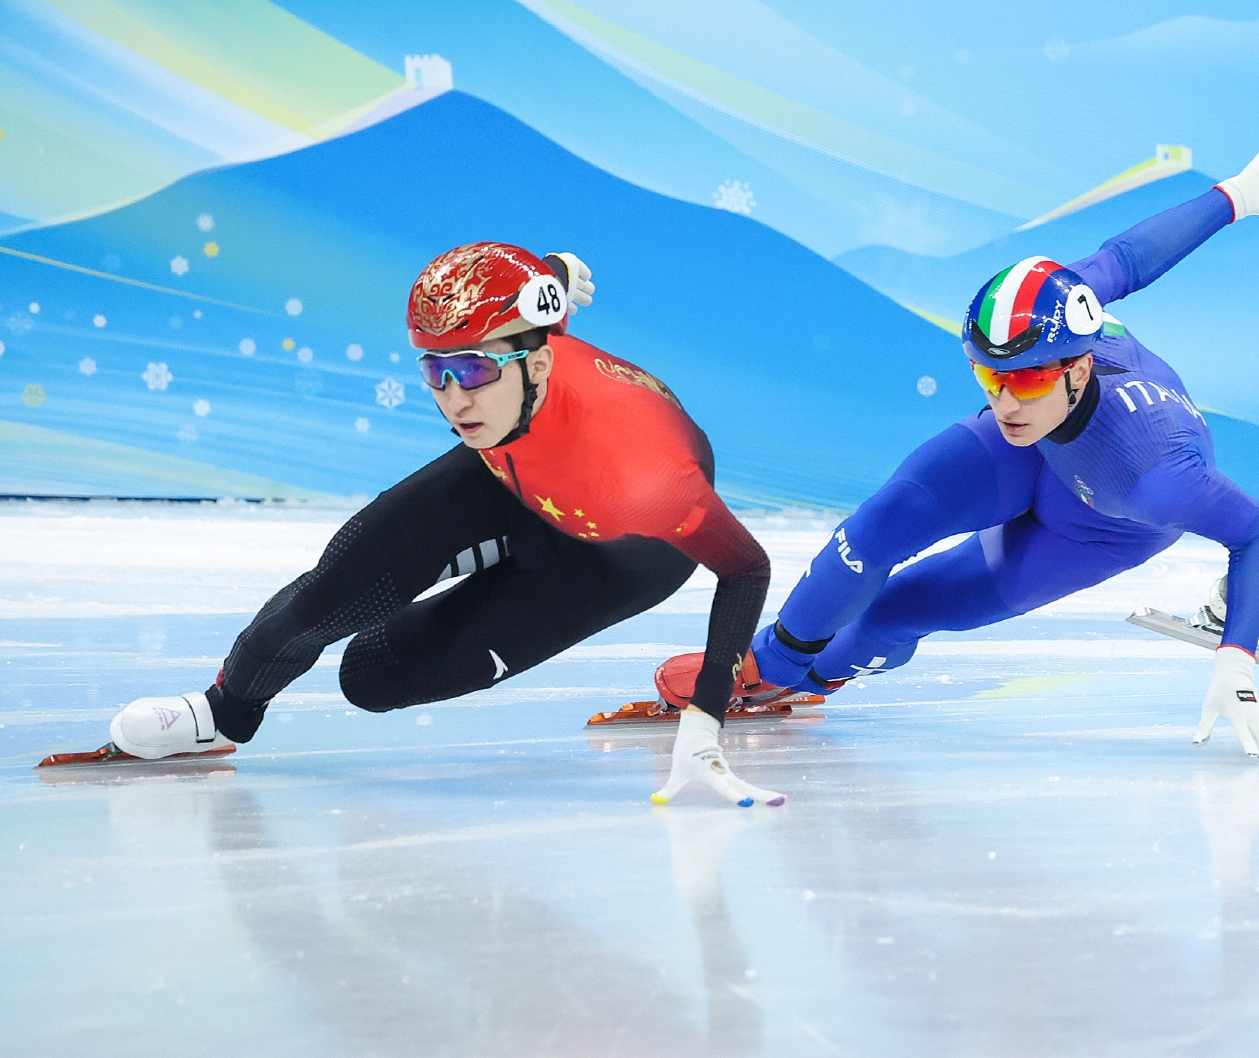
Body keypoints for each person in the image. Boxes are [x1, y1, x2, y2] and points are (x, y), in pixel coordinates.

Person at [101, 242, 784, 805]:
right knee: (332, 588)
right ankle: (222, 715)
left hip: (611, 560)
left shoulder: (645, 474)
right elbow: (537, 300)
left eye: (475, 369)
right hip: (514, 478)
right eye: (437, 369)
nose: (455, 398)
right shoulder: (521, 353)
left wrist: (706, 716)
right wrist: (556, 275)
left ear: (538, 363)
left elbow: (747, 567)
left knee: (372, 677)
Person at [736, 144, 1259, 761]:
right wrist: (1232, 196)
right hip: (1045, 449)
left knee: (894, 614)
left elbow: (1257, 531)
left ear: (1078, 366)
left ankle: (812, 680)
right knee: (884, 521)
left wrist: (1237, 659)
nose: (1005, 404)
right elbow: (1125, 258)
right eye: (989, 378)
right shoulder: (1056, 319)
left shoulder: (1158, 476)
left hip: (1098, 524)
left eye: (1025, 380)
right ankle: (765, 666)